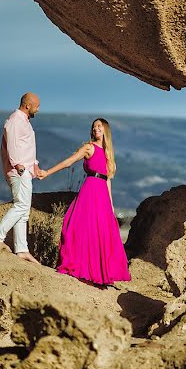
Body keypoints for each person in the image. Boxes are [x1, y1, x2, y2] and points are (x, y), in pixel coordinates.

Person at [39, 118, 131, 285]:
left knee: (102, 232)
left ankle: (99, 273)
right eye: (94, 126)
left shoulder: (108, 152)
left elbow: (108, 179)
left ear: (105, 130)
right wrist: (47, 172)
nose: (96, 129)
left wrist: (111, 205)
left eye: (99, 126)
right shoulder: (89, 147)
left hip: (102, 193)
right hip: (90, 190)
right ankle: (80, 267)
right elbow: (69, 162)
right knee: (77, 226)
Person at [0, 92, 42, 264]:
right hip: (19, 170)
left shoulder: (24, 121)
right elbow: (12, 144)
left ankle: (22, 249)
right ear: (28, 105)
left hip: (25, 170)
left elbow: (27, 147)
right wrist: (18, 165)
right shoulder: (14, 120)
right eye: (37, 106)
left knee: (24, 211)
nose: (38, 109)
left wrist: (34, 165)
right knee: (21, 205)